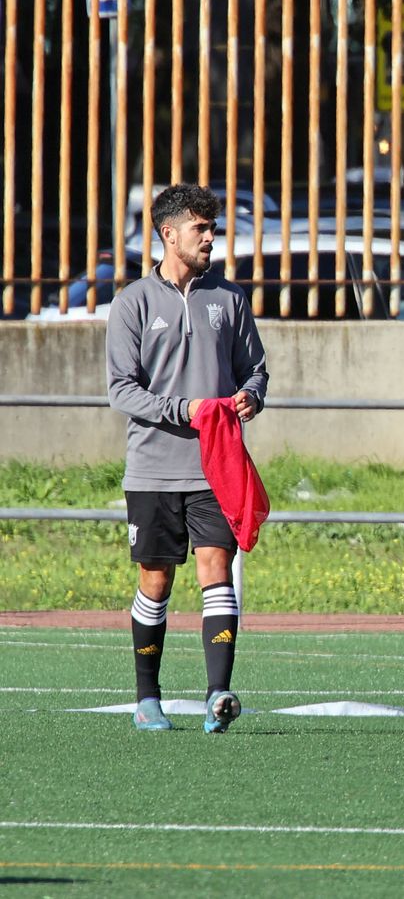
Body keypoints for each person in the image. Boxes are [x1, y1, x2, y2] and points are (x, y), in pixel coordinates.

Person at [106, 183, 268, 735]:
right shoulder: (132, 302)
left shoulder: (229, 298)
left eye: (212, 228)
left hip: (214, 468)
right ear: (169, 233)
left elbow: (255, 369)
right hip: (152, 468)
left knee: (216, 568)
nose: (210, 238)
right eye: (200, 229)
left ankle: (218, 694)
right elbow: (122, 390)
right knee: (156, 580)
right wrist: (186, 407)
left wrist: (252, 395)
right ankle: (147, 698)